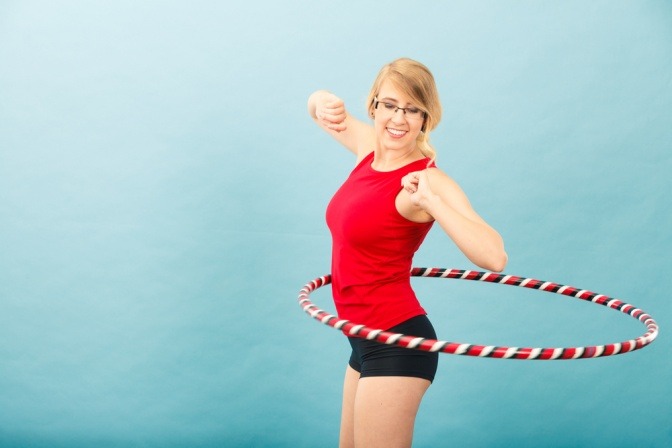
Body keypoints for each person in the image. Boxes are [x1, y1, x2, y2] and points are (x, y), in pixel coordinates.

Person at [307, 58, 507, 448]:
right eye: (391, 105)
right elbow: (320, 112)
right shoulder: (370, 149)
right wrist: (322, 99)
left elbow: (494, 257)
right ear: (374, 106)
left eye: (413, 109)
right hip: (361, 339)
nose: (399, 118)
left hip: (396, 342)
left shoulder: (425, 178)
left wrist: (433, 203)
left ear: (426, 117)